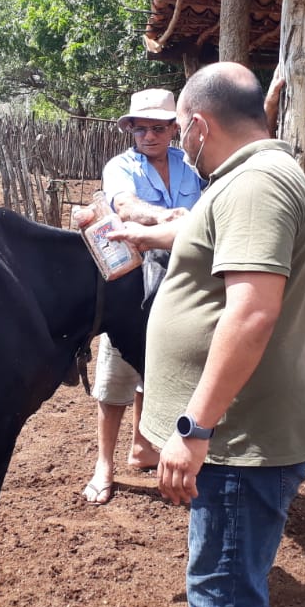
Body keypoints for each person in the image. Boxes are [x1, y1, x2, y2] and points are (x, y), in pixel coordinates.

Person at [111, 62, 305, 607]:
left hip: (237, 440)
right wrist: (140, 233)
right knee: (223, 580)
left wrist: (194, 428)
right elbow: (196, 229)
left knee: (223, 597)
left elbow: (251, 314)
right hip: (236, 436)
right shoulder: (244, 178)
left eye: (182, 129)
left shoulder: (256, 185)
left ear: (201, 125)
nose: (181, 144)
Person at [79, 88, 204, 506]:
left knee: (162, 365)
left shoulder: (190, 166)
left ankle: (141, 446)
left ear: (174, 128)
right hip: (133, 281)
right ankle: (103, 465)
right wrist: (166, 217)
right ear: (129, 130)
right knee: (116, 374)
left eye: (157, 127)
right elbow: (126, 206)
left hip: (182, 278)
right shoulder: (121, 166)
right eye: (139, 128)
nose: (147, 136)